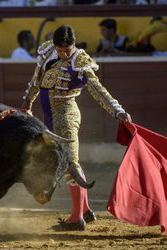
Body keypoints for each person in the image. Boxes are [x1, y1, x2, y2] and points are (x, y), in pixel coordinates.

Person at [21, 24, 132, 231]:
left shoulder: (80, 62)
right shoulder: (47, 51)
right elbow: (36, 80)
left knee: (70, 162)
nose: (64, 53)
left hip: (66, 115)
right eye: (61, 50)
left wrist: (117, 111)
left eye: (68, 49)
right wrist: (28, 101)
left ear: (74, 44)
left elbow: (99, 91)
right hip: (49, 116)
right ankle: (86, 210)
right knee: (64, 163)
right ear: (55, 46)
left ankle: (76, 218)